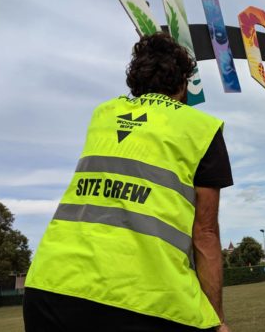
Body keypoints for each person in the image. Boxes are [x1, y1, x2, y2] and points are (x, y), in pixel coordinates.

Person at [23, 32, 233, 332]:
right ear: (183, 83)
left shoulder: (103, 115)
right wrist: (217, 319)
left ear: (137, 78)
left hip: (51, 287)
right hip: (145, 300)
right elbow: (206, 233)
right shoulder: (202, 128)